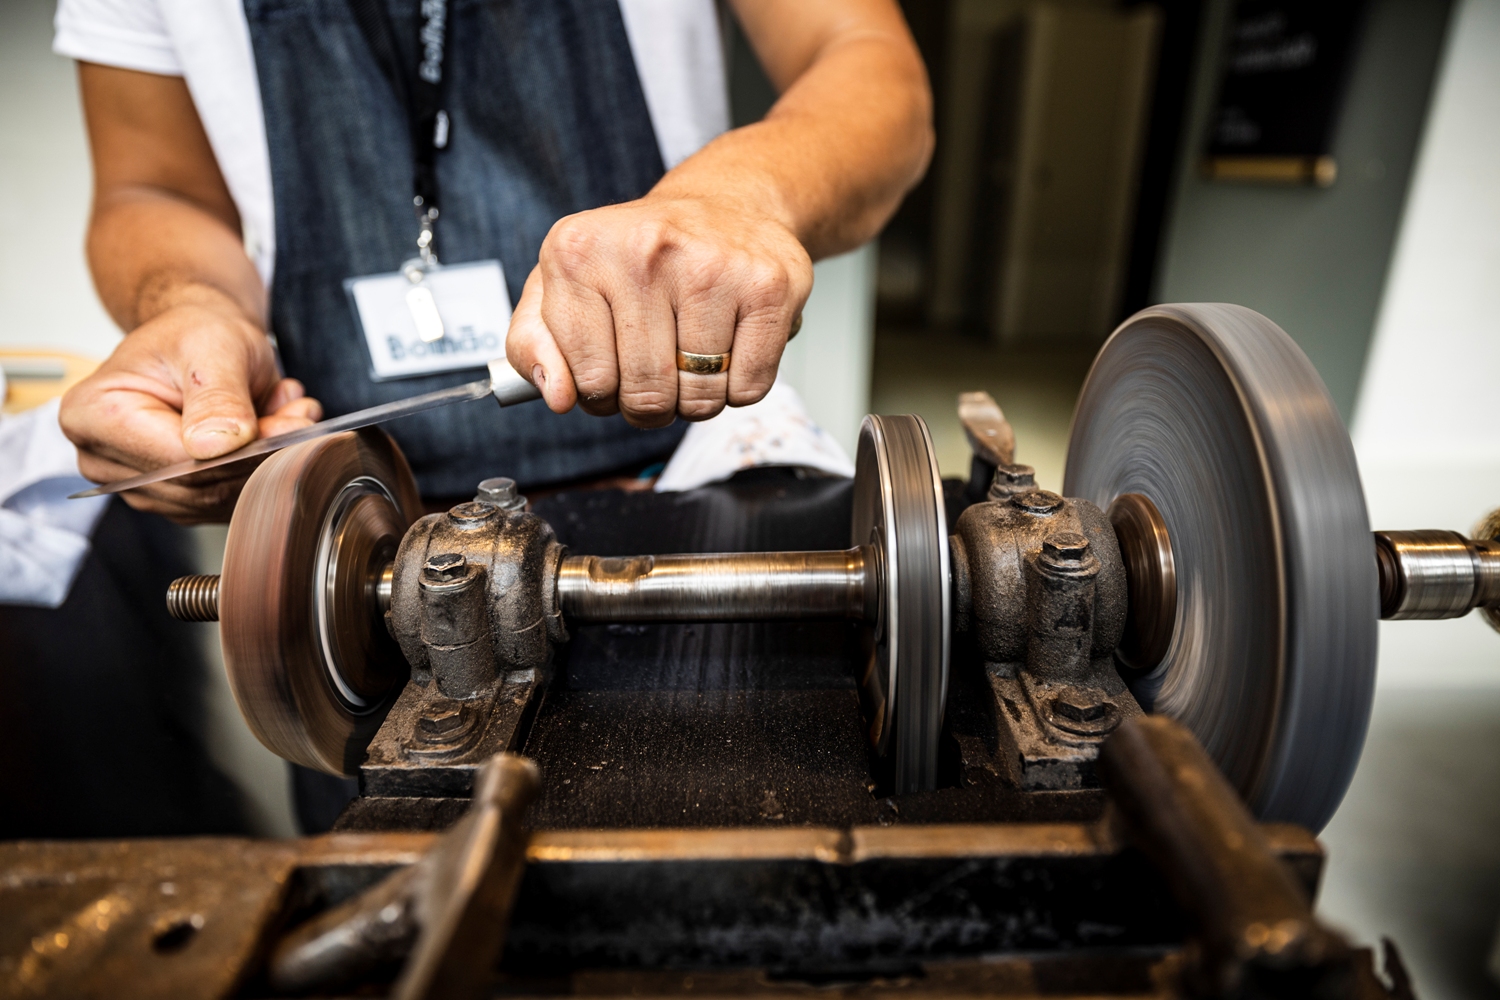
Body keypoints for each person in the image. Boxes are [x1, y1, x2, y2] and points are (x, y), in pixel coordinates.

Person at [55, 0, 933, 517]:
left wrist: (737, 196)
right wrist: (193, 306)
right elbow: (153, 193)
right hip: (352, 535)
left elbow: (865, 64)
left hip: (686, 492)